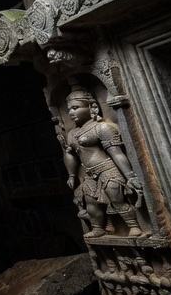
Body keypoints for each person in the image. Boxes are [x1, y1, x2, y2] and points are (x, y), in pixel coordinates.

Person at [62, 79, 146, 238]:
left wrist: (130, 176)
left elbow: (116, 153)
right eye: (69, 109)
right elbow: (69, 153)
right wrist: (72, 175)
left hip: (108, 169)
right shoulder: (72, 134)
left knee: (117, 198)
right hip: (89, 174)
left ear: (91, 107)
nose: (71, 112)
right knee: (91, 204)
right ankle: (98, 228)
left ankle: (134, 226)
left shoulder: (102, 127)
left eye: (76, 108)